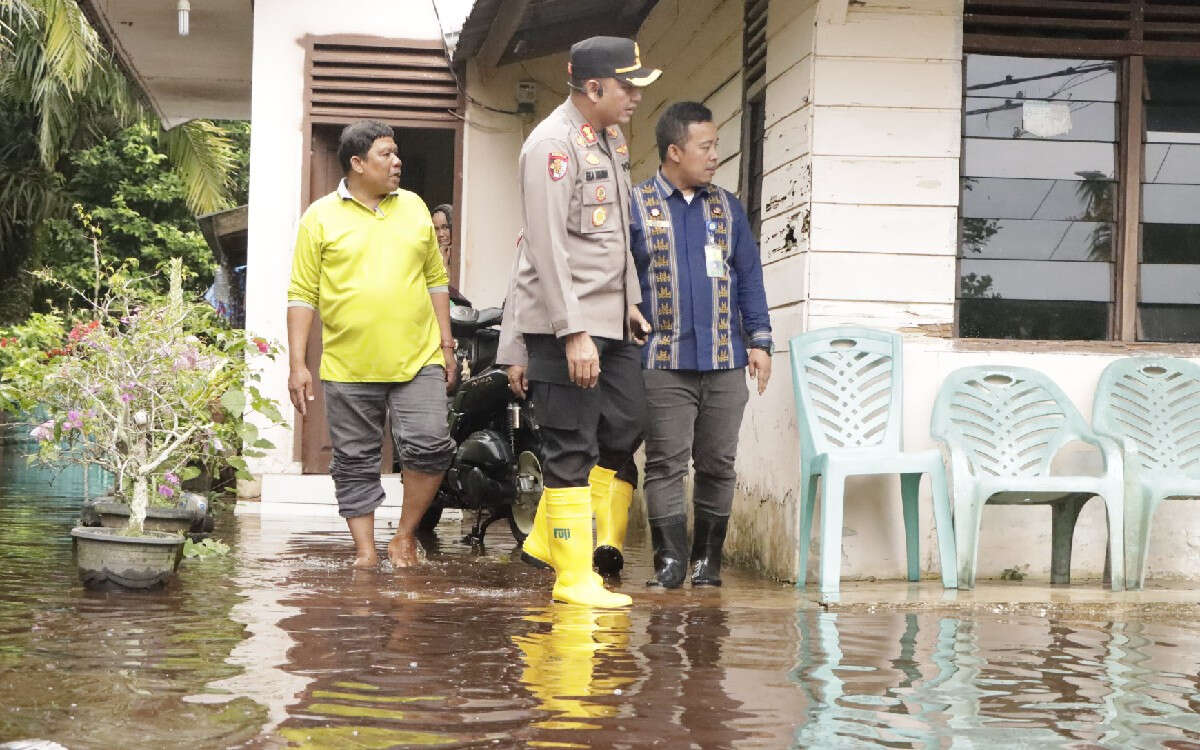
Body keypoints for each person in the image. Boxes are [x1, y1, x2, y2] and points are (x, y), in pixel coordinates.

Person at [497, 36, 661, 608]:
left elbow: (616, 234)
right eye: (627, 85)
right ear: (594, 88)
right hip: (566, 324)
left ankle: (547, 537)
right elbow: (545, 246)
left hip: (612, 317)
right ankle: (572, 577)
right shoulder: (552, 146)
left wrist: (632, 300)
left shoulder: (608, 138)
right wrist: (573, 331)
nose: (636, 96)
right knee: (570, 443)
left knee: (625, 424)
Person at [287, 120, 458, 570]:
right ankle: (364, 552)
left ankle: (403, 535)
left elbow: (435, 279)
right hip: (348, 364)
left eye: (397, 153)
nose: (397, 161)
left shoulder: (415, 207)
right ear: (357, 164)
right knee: (355, 460)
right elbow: (302, 294)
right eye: (386, 154)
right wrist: (298, 363)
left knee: (431, 444)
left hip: (418, 357)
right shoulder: (319, 217)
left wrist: (446, 344)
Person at [631, 101, 773, 589]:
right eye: (705, 146)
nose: (715, 156)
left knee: (718, 462)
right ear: (675, 151)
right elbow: (618, 276)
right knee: (665, 464)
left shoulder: (728, 207)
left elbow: (749, 277)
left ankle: (707, 562)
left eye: (716, 146)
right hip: (662, 360)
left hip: (725, 360)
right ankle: (669, 562)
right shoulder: (637, 206)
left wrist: (760, 341)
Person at [431, 203, 470, 306]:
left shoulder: (463, 252)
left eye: (445, 227)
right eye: (436, 229)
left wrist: (445, 262)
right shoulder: (430, 255)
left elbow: (453, 290)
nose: (440, 234)